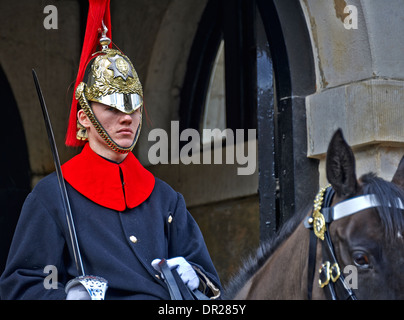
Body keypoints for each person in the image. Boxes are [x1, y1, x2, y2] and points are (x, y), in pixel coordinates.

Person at [0, 1, 221, 300]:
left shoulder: (166, 199)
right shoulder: (52, 198)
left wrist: (194, 276)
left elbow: (212, 284)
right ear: (84, 117)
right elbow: (21, 287)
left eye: (133, 106)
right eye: (111, 107)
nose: (127, 116)